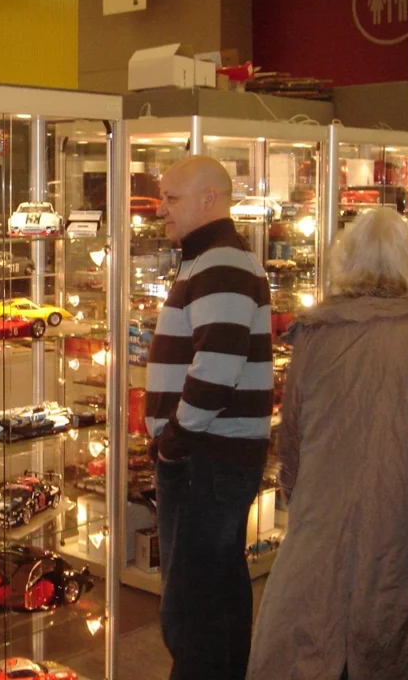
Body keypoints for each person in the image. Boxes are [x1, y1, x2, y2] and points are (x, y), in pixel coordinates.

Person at [247, 208, 408, 679]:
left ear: (345, 260)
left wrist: (302, 503)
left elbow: (292, 439)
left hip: (323, 524)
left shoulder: (314, 336)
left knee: (316, 642)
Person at [146, 156, 273, 680]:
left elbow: (217, 365)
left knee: (194, 608)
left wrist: (175, 441)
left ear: (209, 200)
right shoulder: (211, 260)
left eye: (171, 198)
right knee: (215, 595)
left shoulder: (220, 262)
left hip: (207, 457)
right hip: (210, 454)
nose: (160, 209)